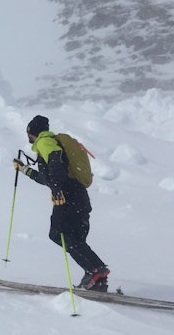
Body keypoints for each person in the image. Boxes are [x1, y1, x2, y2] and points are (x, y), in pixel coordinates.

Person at [12, 115, 110, 291]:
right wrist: (25, 169)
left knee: (58, 234)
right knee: (75, 239)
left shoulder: (45, 142)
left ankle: (95, 270)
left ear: (31, 131)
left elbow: (55, 162)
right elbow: (47, 177)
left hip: (67, 197)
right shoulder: (51, 143)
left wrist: (57, 189)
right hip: (79, 196)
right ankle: (98, 279)